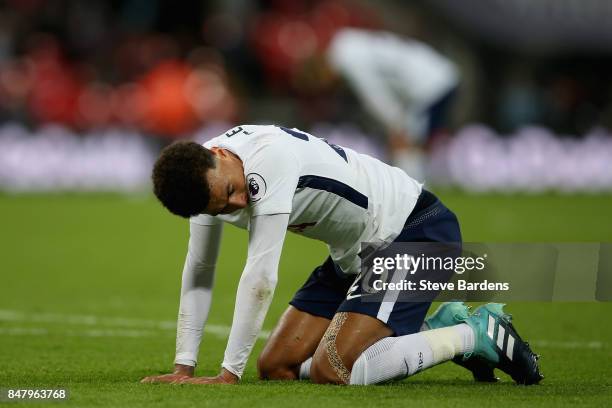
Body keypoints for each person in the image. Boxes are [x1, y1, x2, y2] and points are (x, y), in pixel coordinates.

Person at [141, 124, 542, 385]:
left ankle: (474, 334)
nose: (241, 201)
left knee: (333, 368)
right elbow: (200, 269)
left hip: (414, 231)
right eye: (225, 207)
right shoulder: (205, 183)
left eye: (232, 191)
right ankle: (425, 329)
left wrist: (227, 376)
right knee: (275, 368)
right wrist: (183, 368)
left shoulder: (267, 161)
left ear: (221, 155)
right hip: (353, 256)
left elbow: (261, 277)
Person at [325, 28, 460, 181]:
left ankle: (414, 190)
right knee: (416, 140)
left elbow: (374, 95)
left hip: (430, 85)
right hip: (439, 74)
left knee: (407, 138)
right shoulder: (349, 42)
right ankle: (416, 186)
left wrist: (395, 122)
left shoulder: (348, 59)